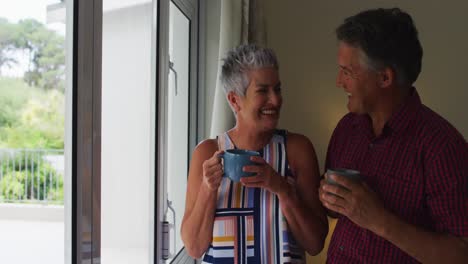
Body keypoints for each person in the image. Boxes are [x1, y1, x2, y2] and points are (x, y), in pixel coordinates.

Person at [319, 7, 468, 263]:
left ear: (385, 77)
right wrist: (329, 199)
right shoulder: (346, 129)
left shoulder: (442, 148)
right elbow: (336, 214)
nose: (338, 81)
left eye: (347, 71)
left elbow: (461, 253)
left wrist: (380, 221)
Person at [181, 44, 328, 263]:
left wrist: (282, 188)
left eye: (277, 89)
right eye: (263, 91)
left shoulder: (297, 149)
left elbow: (315, 244)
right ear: (234, 100)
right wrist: (207, 188)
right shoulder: (207, 152)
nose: (276, 100)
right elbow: (194, 247)